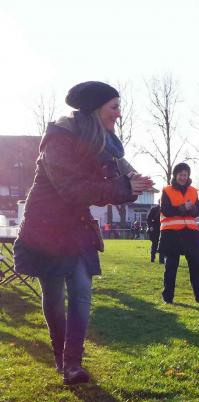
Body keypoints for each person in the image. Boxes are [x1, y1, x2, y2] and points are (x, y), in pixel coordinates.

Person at [13, 81, 153, 384]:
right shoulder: (59, 140)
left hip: (77, 227)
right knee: (54, 296)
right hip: (46, 228)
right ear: (95, 109)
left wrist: (135, 182)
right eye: (114, 107)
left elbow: (119, 174)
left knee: (81, 290)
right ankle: (60, 356)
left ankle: (73, 363)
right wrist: (123, 186)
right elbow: (73, 189)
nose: (118, 114)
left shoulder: (105, 144)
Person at [158, 162, 199, 304]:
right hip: (171, 234)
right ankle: (168, 297)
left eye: (185, 175)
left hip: (190, 234)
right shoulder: (166, 190)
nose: (183, 177)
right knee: (171, 267)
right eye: (181, 175)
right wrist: (182, 208)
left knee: (196, 267)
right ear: (175, 175)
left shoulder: (193, 191)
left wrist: (193, 209)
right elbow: (165, 210)